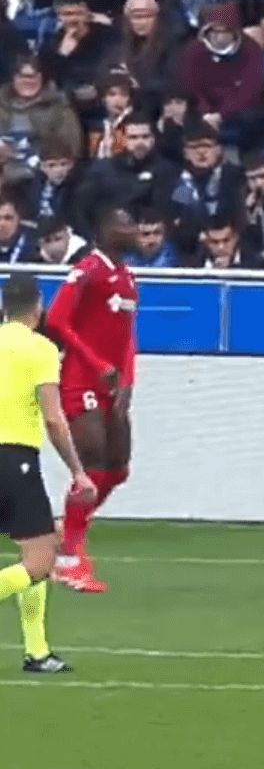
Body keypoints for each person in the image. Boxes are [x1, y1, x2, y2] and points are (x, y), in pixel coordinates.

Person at [0, 273, 95, 673]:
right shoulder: (40, 349)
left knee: (35, 552)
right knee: (39, 561)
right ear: (37, 307)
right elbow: (54, 418)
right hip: (14, 458)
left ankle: (37, 651)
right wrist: (78, 471)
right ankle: (36, 652)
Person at [43, 205, 138, 594]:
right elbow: (56, 320)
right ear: (104, 230)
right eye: (124, 224)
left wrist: (128, 381)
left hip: (112, 385)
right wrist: (97, 363)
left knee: (118, 468)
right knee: (94, 462)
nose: (133, 229)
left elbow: (127, 336)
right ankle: (68, 559)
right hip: (81, 380)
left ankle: (66, 531)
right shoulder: (87, 271)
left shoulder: (126, 277)